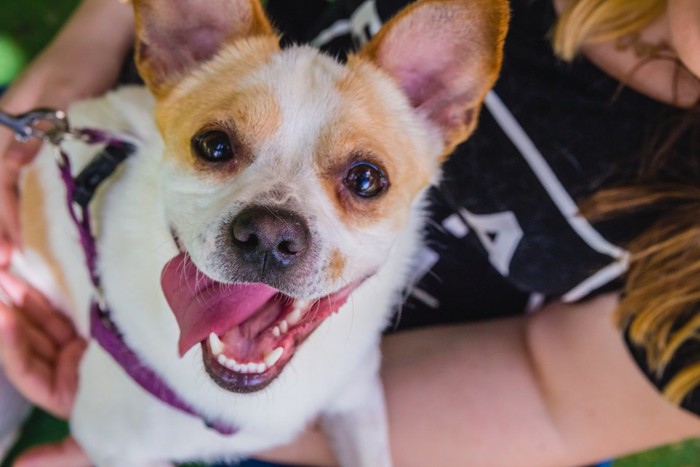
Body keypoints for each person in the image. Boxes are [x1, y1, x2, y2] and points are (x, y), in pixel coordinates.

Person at [1, 0, 699, 466]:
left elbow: (550, 401)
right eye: (219, 148)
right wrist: (90, 34)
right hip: (52, 256)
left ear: (442, 113)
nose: (276, 228)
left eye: (362, 181)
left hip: (421, 390)